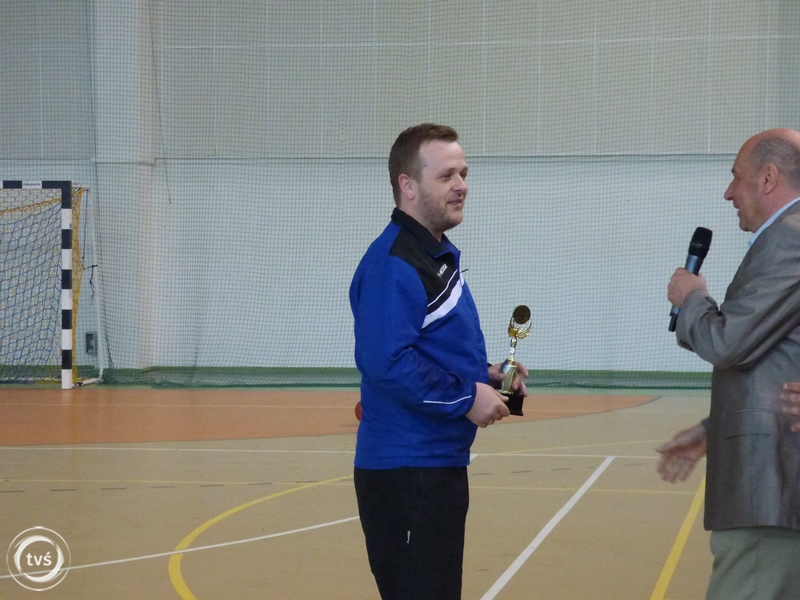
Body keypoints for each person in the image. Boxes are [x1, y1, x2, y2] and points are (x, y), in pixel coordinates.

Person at [349, 123, 527, 600]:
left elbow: (427, 349)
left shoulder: (434, 256)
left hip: (435, 467)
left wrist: (487, 376)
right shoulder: (394, 263)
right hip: (407, 473)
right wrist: (468, 397)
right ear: (408, 186)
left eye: (464, 173)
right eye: (447, 175)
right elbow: (388, 362)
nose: (461, 185)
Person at [656, 128, 800, 599]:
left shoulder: (790, 238)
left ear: (768, 177)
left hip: (771, 486)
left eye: (736, 177)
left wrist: (693, 298)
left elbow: (729, 343)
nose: (729, 193)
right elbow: (779, 358)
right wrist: (714, 429)